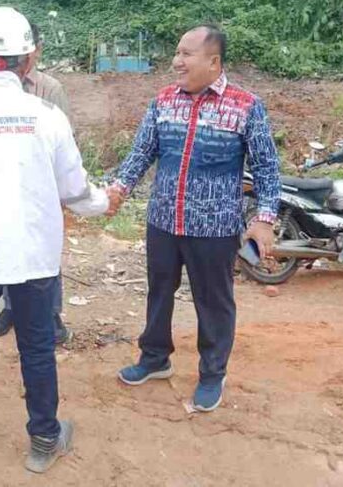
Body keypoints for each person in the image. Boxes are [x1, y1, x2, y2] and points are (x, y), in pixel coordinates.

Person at [0, 7, 121, 473]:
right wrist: (104, 202)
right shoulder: (46, 116)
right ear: (29, 60)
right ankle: (43, 440)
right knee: (36, 347)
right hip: (33, 257)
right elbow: (74, 189)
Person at [112, 25, 281, 412]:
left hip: (215, 227)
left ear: (213, 61)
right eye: (177, 53)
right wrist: (118, 189)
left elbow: (267, 168)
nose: (177, 61)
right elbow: (141, 153)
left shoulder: (245, 106)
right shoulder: (163, 101)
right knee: (159, 292)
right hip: (163, 220)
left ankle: (212, 374)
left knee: (214, 302)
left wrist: (264, 218)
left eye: (186, 54)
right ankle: (154, 358)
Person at [0, 23, 72, 343]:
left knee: (45, 249)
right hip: (4, 184)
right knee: (7, 245)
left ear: (35, 50)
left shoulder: (50, 89)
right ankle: (11, 307)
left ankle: (51, 312)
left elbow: (64, 142)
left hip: (42, 188)